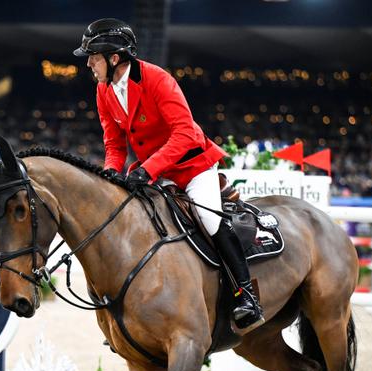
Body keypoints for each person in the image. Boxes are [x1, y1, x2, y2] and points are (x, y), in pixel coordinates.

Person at [74, 18, 263, 330]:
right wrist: (109, 175)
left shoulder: (156, 79)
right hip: (153, 170)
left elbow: (186, 134)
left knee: (210, 220)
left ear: (114, 58)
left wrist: (148, 169)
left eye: (93, 58)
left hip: (192, 166)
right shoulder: (103, 91)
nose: (90, 65)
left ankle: (245, 295)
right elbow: (114, 144)